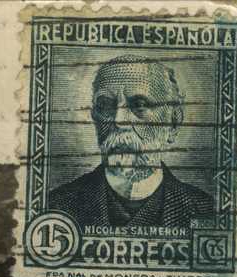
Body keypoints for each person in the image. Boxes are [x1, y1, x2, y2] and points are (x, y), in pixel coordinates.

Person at [47, 56, 215, 228]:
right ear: (94, 117)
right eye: (105, 105)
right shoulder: (56, 206)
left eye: (139, 105)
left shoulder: (206, 210)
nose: (118, 120)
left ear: (173, 123)